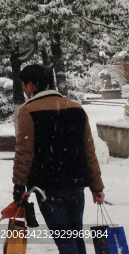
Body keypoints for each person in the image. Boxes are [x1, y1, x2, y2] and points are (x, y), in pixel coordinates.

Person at [13, 64, 104, 254]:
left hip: (47, 186)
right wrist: (97, 186)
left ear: (31, 85)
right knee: (75, 233)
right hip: (76, 184)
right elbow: (89, 150)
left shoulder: (28, 111)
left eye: (23, 84)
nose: (23, 89)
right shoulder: (76, 108)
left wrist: (19, 186)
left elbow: (24, 153)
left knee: (64, 238)